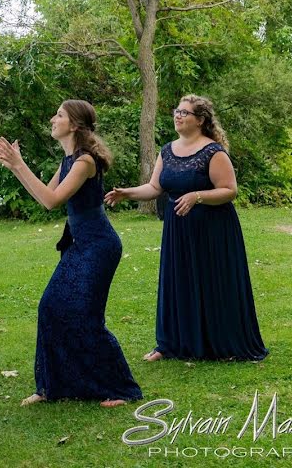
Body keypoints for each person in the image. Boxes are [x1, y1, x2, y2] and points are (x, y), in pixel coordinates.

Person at [0, 100, 142, 408]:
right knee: (50, 307)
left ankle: (121, 389)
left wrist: (20, 164)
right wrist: (15, 167)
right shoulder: (68, 161)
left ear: (73, 125)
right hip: (79, 245)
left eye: (58, 115)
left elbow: (52, 200)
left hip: (100, 246)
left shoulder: (85, 161)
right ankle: (50, 385)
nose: (52, 118)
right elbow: (45, 198)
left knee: (86, 316)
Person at [105, 95, 268, 362]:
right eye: (176, 111)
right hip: (178, 229)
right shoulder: (167, 151)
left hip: (212, 230)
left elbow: (229, 190)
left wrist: (197, 196)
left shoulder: (213, 152)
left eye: (184, 112)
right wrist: (128, 193)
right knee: (178, 282)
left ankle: (218, 343)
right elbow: (155, 187)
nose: (178, 115)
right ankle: (170, 344)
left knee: (212, 282)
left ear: (200, 120)